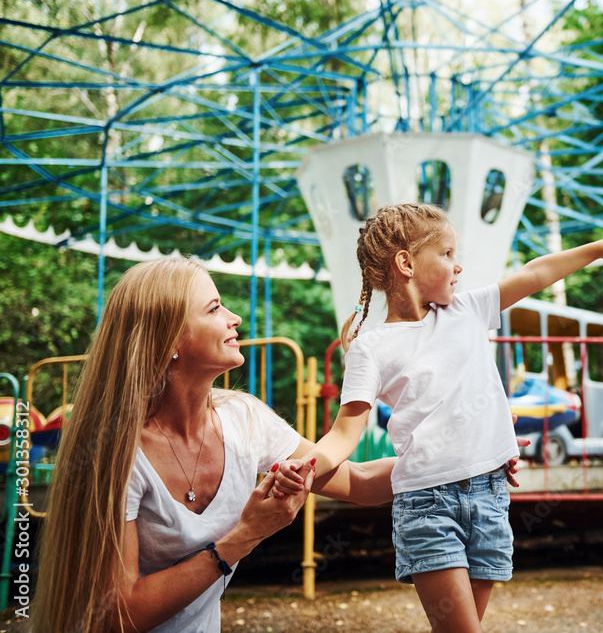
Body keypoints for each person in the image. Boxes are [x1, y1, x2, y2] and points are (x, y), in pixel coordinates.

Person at [276, 203, 603, 632]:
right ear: (406, 263)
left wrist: (599, 248)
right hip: (428, 505)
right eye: (447, 254)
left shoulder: (467, 310)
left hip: (490, 497)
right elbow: (343, 435)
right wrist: (306, 467)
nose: (459, 266)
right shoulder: (371, 348)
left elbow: (535, 273)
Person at [34, 258, 396, 633]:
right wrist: (246, 535)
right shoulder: (114, 453)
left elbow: (362, 483)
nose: (234, 317)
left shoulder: (244, 419)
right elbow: (118, 616)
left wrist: (447, 457)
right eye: (214, 308)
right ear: (169, 339)